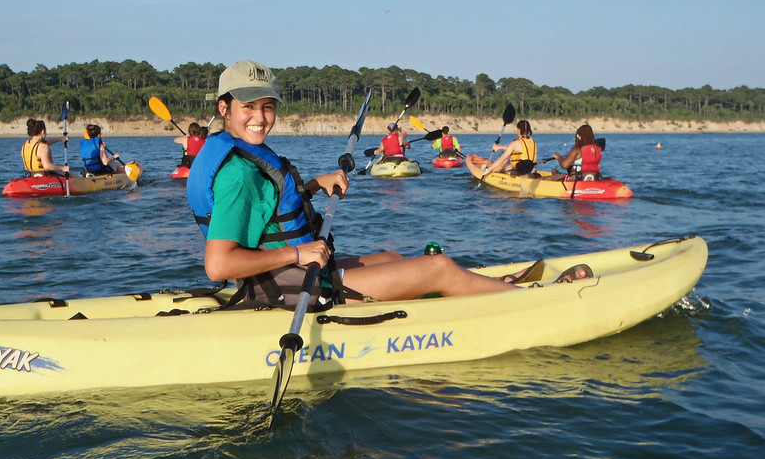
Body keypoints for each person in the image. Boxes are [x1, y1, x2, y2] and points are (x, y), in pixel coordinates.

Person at [186, 60, 572, 311]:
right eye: (248, 107)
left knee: (390, 256)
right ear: (225, 108)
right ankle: (537, 305)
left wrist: (316, 184)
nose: (260, 117)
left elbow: (266, 214)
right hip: (293, 289)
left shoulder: (238, 154)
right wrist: (297, 256)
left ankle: (482, 287)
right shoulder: (237, 172)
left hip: (290, 276)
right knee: (437, 266)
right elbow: (218, 264)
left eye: (267, 106)